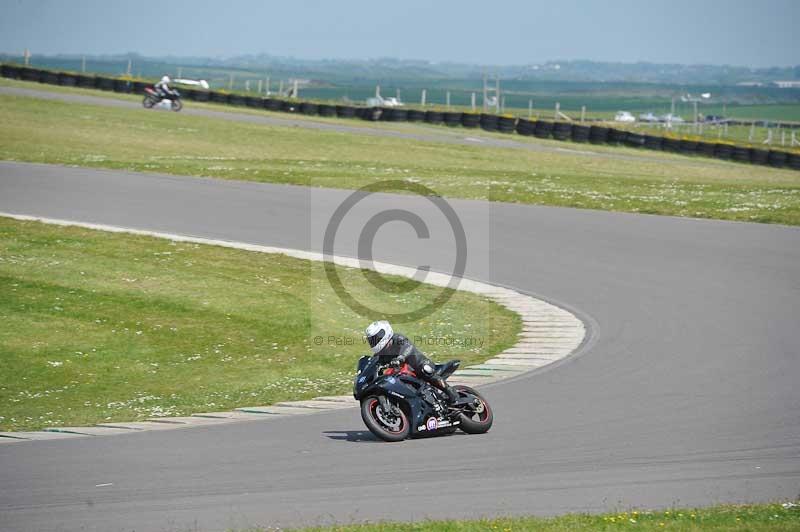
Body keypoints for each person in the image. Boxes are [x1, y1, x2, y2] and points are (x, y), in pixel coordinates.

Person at [365, 320, 459, 404]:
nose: (374, 342)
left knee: (425, 370)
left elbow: (408, 347)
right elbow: (375, 363)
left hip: (418, 365)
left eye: (376, 338)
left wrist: (400, 358)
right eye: (372, 340)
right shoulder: (381, 353)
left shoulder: (398, 338)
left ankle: (451, 392)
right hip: (402, 375)